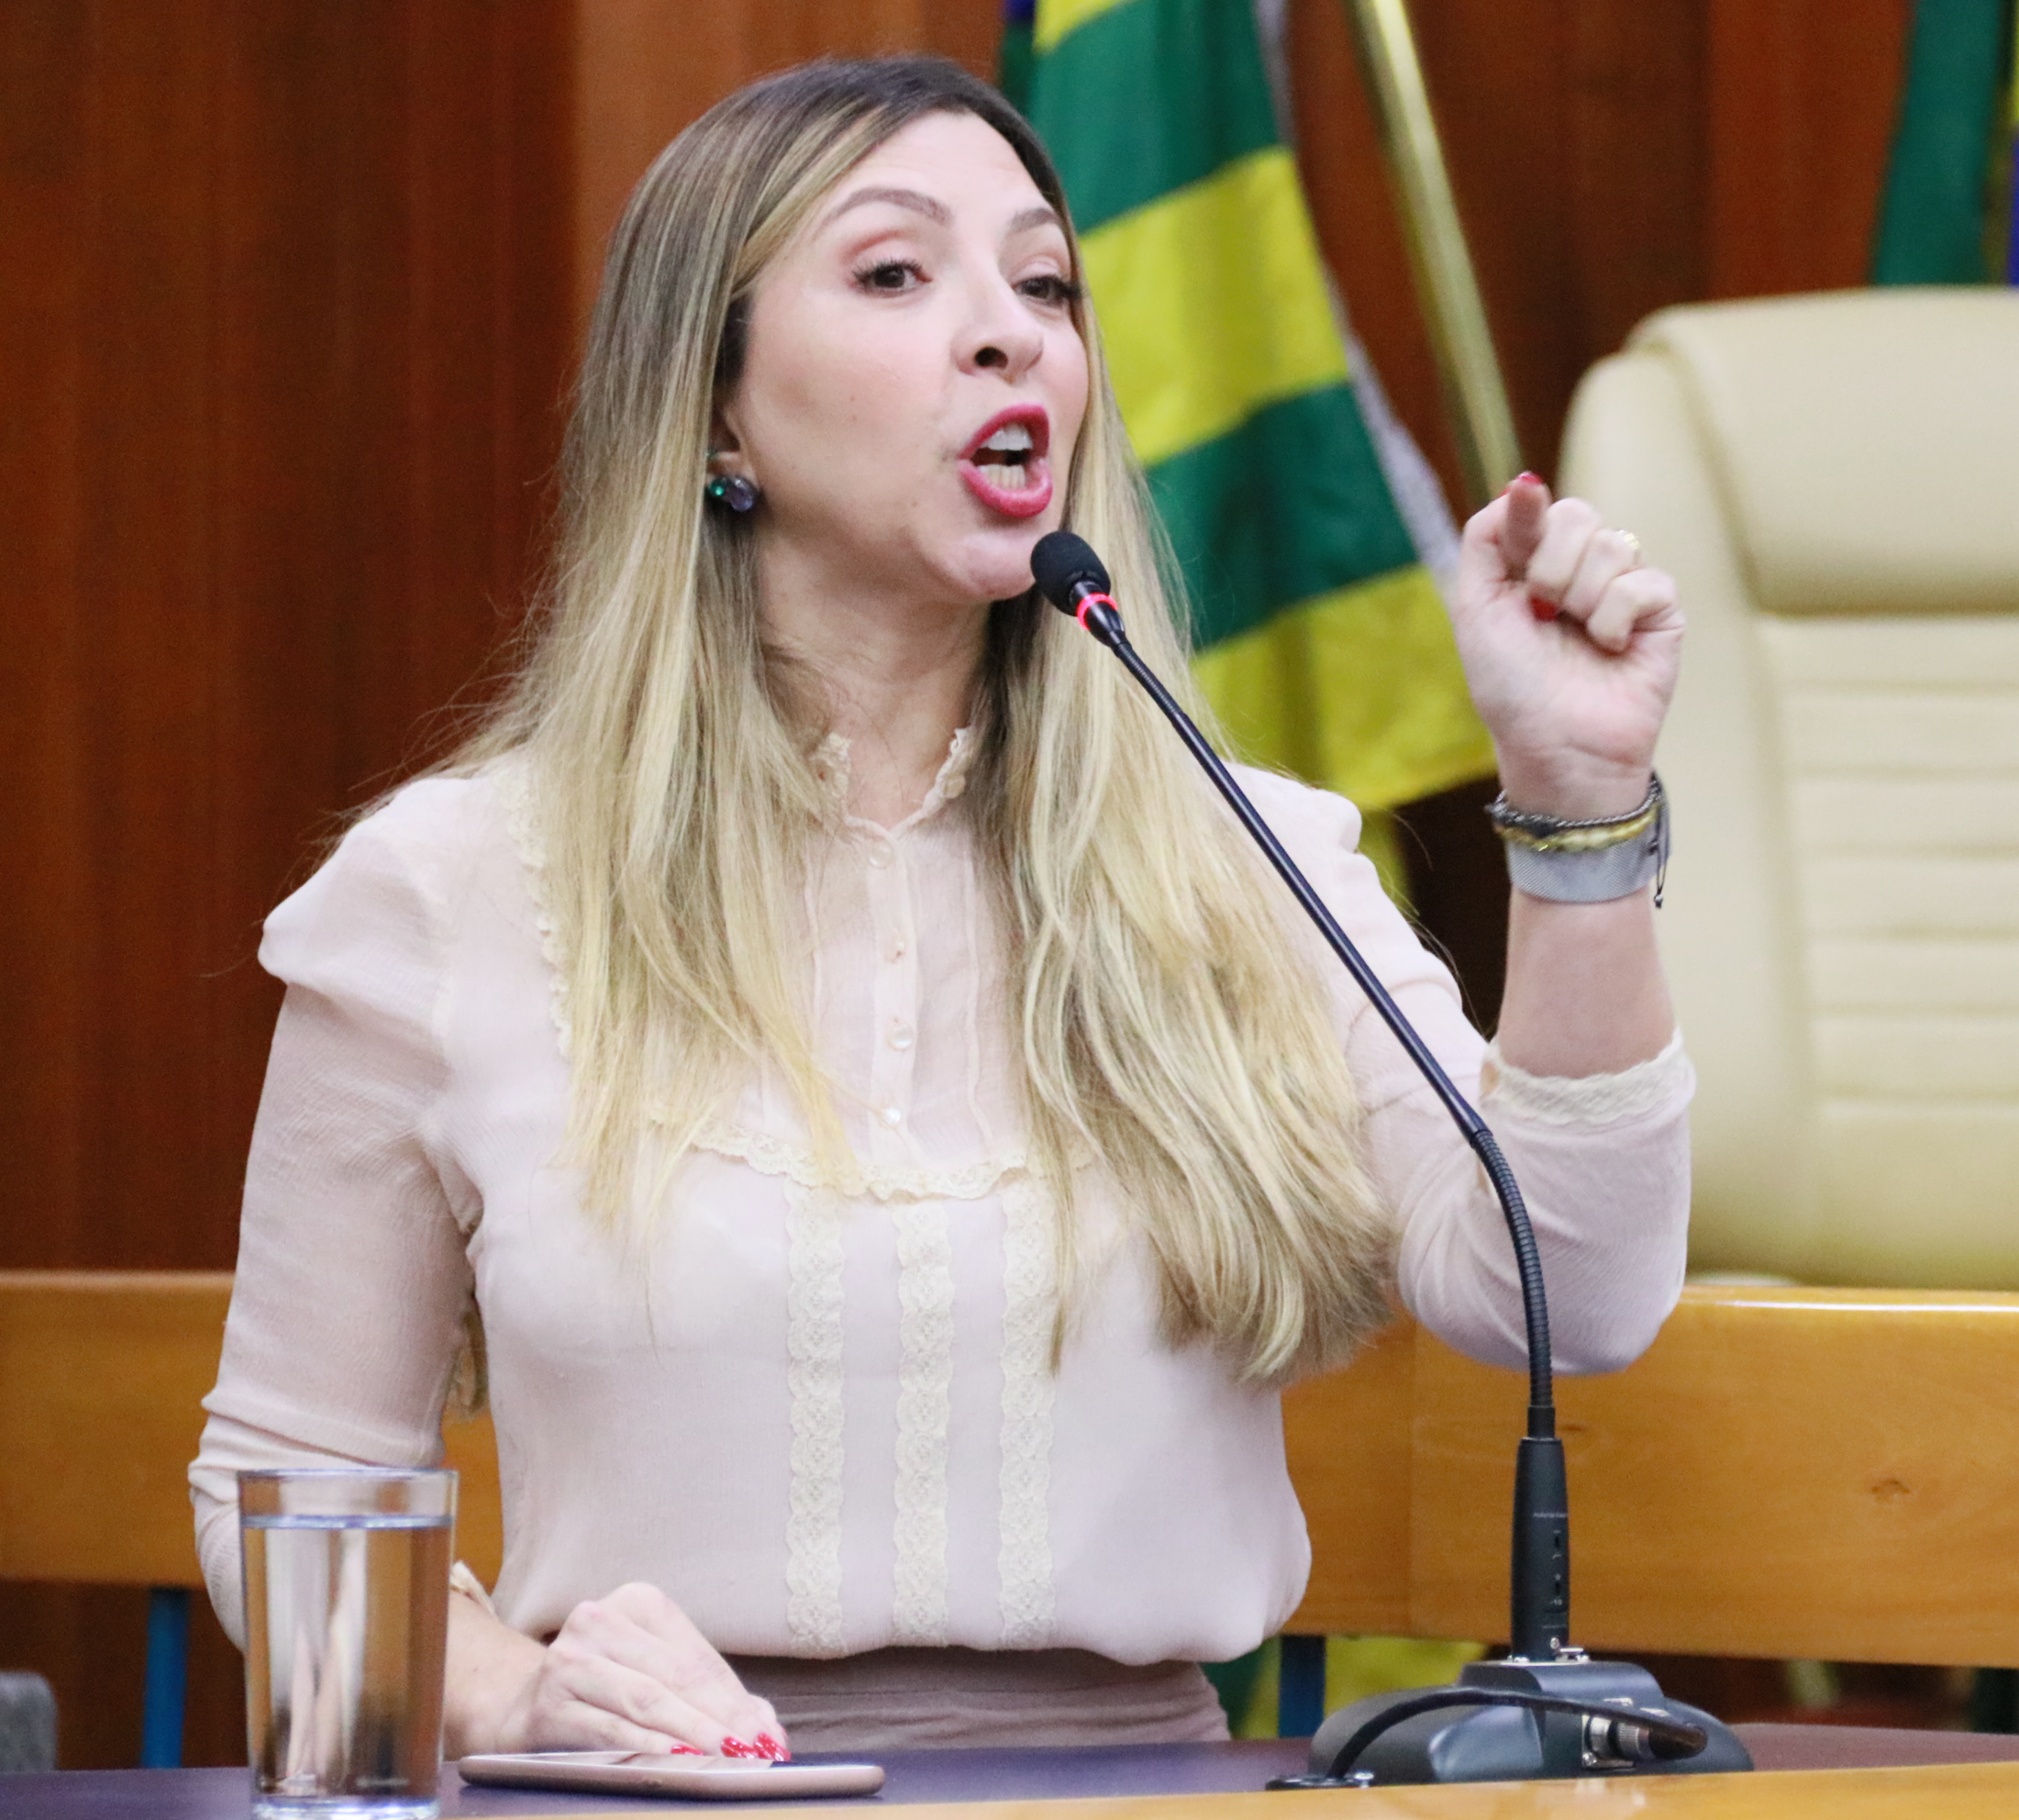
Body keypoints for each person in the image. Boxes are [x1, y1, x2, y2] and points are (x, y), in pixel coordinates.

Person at [189, 54, 1691, 1759]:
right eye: (898, 273)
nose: (1010, 337)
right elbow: (281, 1486)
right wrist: (522, 1698)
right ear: (717, 413)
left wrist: (1580, 813)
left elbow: (1574, 1296)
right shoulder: (448, 888)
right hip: (662, 1801)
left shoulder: (1243, 853)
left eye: (1044, 286)